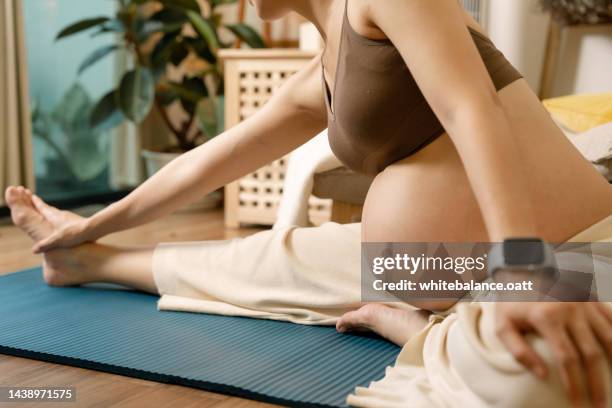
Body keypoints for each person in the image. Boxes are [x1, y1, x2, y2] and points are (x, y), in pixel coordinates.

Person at [6, 0, 612, 406]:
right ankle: (86, 262)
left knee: (536, 372)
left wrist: (524, 272)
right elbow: (205, 163)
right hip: (444, 268)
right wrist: (91, 225)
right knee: (275, 257)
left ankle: (422, 334)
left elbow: (469, 107)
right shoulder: (325, 67)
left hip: (572, 251)